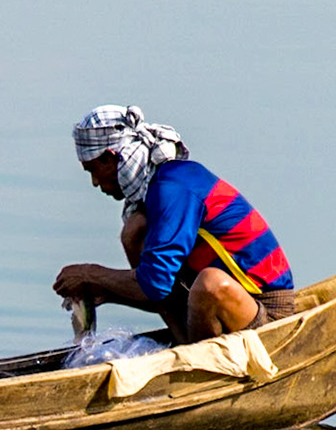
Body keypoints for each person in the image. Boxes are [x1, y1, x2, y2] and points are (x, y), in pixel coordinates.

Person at [53, 105, 295, 344]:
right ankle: (185, 344)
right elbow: (159, 285)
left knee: (209, 285)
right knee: (135, 231)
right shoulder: (156, 188)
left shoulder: (173, 188)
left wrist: (91, 274)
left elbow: (155, 284)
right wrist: (107, 291)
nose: (95, 182)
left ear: (110, 158)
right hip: (227, 303)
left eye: (93, 170)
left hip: (269, 314)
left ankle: (199, 369)